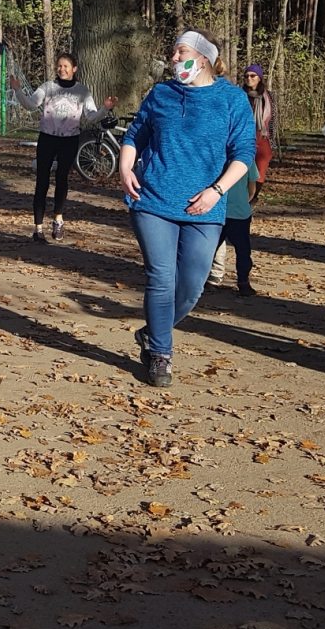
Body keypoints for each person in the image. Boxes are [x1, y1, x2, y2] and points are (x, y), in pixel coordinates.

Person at [118, 30, 255, 388]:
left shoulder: (232, 99)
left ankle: (152, 331)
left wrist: (216, 191)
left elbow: (244, 153)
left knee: (192, 286)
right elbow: (135, 135)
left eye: (181, 52)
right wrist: (125, 167)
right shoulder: (161, 93)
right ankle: (161, 353)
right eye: (174, 52)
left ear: (204, 58)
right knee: (162, 278)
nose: (174, 58)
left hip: (204, 207)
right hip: (153, 200)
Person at [11, 52, 117, 241]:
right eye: (59, 66)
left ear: (74, 69)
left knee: (62, 179)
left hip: (69, 140)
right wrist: (18, 91)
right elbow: (31, 105)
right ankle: (38, 228)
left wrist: (105, 108)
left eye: (66, 66)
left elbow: (91, 116)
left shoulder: (82, 91)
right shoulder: (48, 87)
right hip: (47, 139)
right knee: (42, 181)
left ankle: (58, 219)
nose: (62, 69)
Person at [207, 160, 259, 295]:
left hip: (216, 211)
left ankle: (205, 279)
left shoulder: (219, 156)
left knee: (209, 248)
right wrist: (244, 201)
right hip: (239, 213)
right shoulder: (247, 159)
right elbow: (252, 188)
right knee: (243, 250)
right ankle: (243, 282)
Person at [243, 64, 275, 199]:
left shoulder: (268, 96)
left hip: (262, 136)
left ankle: (254, 197)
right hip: (245, 136)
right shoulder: (240, 95)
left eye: (253, 76)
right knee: (245, 167)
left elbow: (273, 120)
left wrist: (271, 142)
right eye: (246, 76)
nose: (249, 79)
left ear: (260, 78)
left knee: (261, 167)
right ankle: (244, 196)